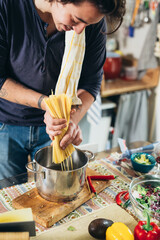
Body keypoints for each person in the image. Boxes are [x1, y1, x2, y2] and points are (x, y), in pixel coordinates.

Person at [0, 0, 125, 180]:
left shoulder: (90, 24)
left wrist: (71, 121)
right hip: (6, 124)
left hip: (56, 129)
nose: (80, 30)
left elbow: (91, 84)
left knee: (58, 192)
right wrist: (47, 104)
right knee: (8, 196)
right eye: (76, 19)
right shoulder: (6, 6)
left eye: (88, 24)